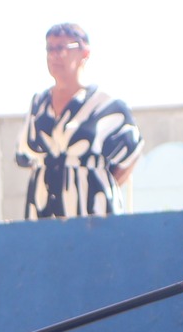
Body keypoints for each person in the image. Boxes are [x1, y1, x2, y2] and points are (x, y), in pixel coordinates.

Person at [19, 23, 142, 219]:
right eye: (50, 49)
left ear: (84, 53)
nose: (54, 56)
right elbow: (27, 157)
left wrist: (94, 184)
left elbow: (131, 156)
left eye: (62, 48)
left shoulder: (106, 105)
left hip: (94, 218)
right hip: (43, 217)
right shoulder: (38, 104)